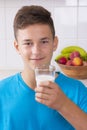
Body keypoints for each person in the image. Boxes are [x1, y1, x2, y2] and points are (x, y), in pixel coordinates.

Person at [0, 5, 87, 130]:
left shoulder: (77, 91)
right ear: (17, 47)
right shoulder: (2, 93)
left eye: (44, 41)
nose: (36, 51)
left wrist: (63, 105)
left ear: (54, 43)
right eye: (28, 43)